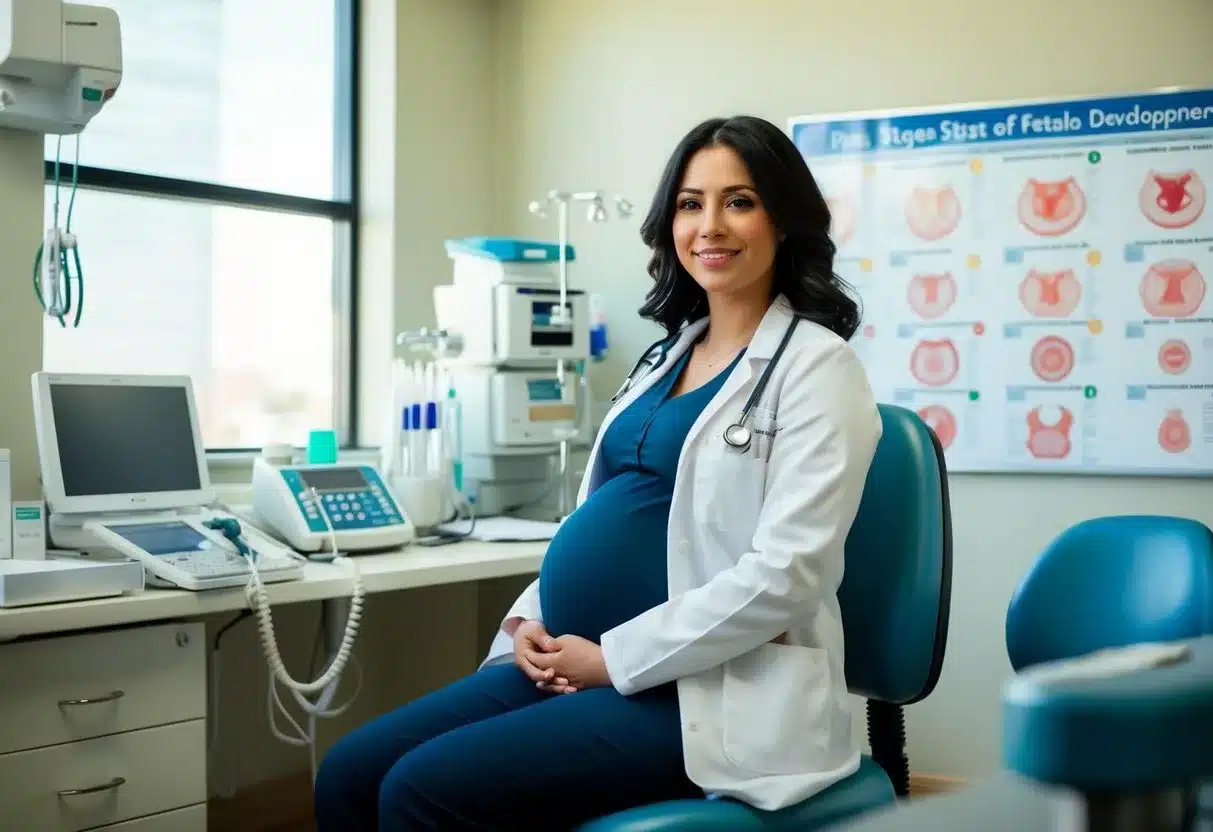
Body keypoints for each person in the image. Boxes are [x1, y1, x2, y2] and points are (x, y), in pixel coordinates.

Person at [313, 114, 883, 831]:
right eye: (689, 203)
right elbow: (597, 512)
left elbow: (788, 575)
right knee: (351, 772)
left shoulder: (818, 369)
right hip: (571, 665)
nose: (709, 225)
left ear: (783, 220)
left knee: (419, 791)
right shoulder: (663, 358)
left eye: (738, 201)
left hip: (704, 694)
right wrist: (530, 618)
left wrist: (610, 660)